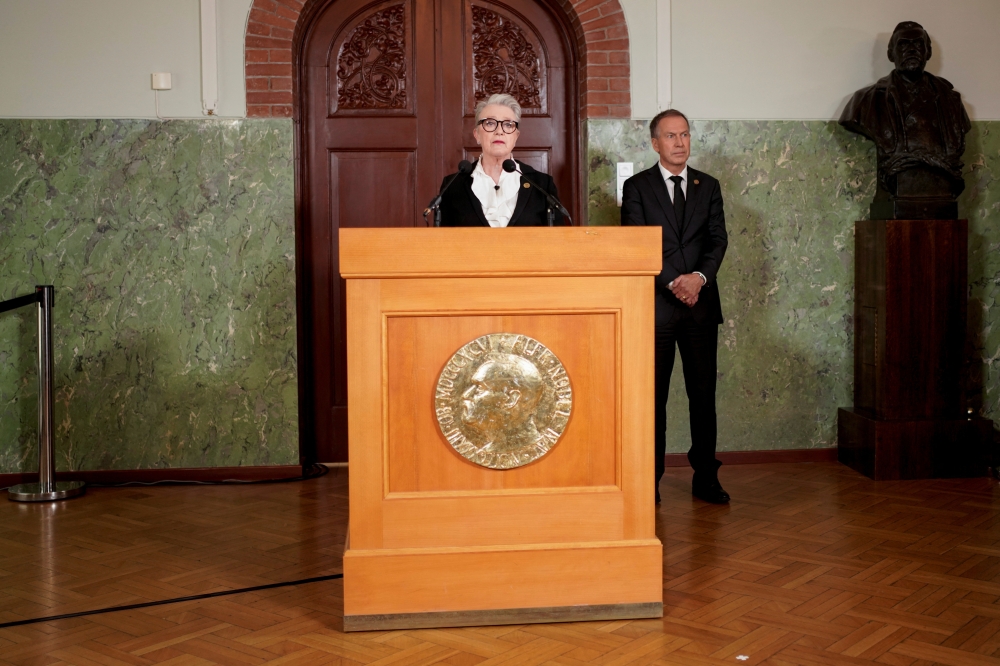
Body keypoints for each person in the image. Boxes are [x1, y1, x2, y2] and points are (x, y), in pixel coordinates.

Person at [620, 109, 730, 504]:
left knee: (703, 396)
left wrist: (698, 278)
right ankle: (649, 482)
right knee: (654, 399)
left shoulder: (708, 185)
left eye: (684, 134)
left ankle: (706, 478)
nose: (680, 142)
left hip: (700, 306)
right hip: (657, 308)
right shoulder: (637, 187)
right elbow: (636, 242)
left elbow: (717, 240)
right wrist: (674, 282)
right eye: (670, 136)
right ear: (655, 143)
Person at [839, 21, 971, 199]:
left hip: (942, 191)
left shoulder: (950, 100)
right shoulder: (865, 100)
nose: (911, 50)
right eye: (903, 44)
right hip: (897, 189)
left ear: (928, 52)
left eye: (918, 44)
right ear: (890, 54)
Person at [439, 93, 564, 227]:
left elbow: (558, 236)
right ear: (477, 135)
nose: (499, 131)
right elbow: (442, 237)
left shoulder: (542, 185)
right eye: (490, 123)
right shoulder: (453, 186)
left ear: (516, 136)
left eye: (508, 125)